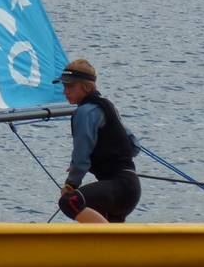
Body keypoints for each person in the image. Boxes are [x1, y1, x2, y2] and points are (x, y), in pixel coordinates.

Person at [55, 58, 141, 224]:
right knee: (96, 210)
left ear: (86, 86)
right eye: (64, 86)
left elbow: (81, 157)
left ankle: (108, 241)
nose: (66, 91)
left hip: (117, 188)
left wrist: (70, 185)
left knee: (70, 202)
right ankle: (113, 246)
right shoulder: (107, 106)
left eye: (71, 86)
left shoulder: (84, 113)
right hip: (131, 188)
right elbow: (134, 147)